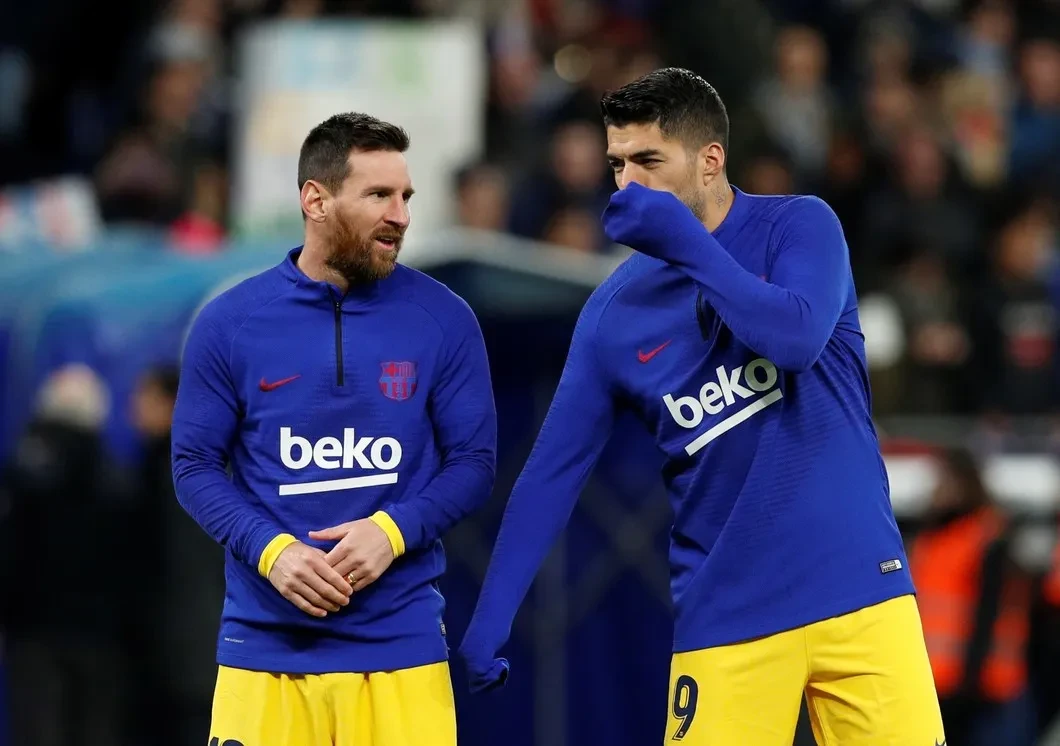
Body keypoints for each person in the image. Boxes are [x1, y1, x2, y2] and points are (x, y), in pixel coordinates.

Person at [459, 68, 945, 745]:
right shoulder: (613, 314)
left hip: (861, 592)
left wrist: (687, 246)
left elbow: (794, 338)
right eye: (617, 164)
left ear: (710, 160)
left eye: (648, 161)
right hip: (726, 620)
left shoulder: (799, 226)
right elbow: (550, 475)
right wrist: (491, 617)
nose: (628, 184)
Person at [172, 112, 497, 746]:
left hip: (401, 653)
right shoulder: (230, 323)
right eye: (379, 195)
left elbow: (475, 464)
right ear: (315, 200)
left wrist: (392, 533)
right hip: (264, 652)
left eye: (405, 196)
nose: (400, 215)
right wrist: (273, 551)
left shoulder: (444, 319)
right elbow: (193, 467)